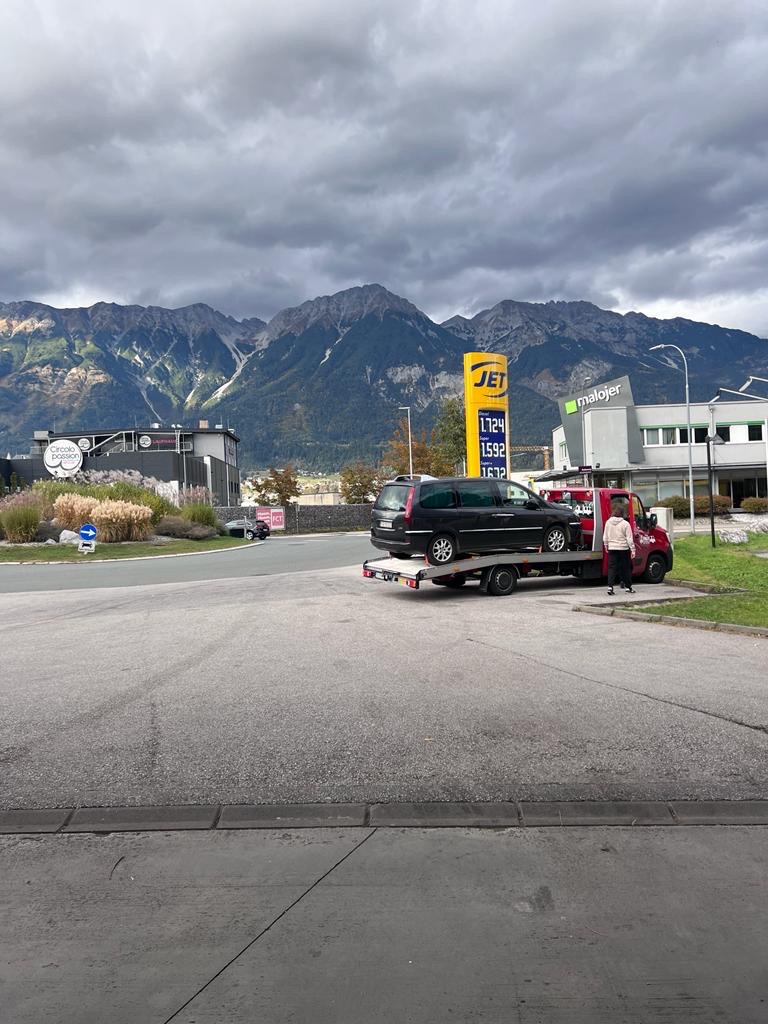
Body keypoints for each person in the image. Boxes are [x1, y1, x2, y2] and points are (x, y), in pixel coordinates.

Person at [603, 499, 636, 595]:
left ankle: (610, 587)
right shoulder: (625, 524)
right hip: (623, 548)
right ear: (622, 513)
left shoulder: (608, 523)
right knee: (625, 568)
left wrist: (606, 545)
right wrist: (633, 549)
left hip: (612, 548)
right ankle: (628, 587)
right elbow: (629, 538)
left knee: (611, 568)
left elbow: (605, 536)